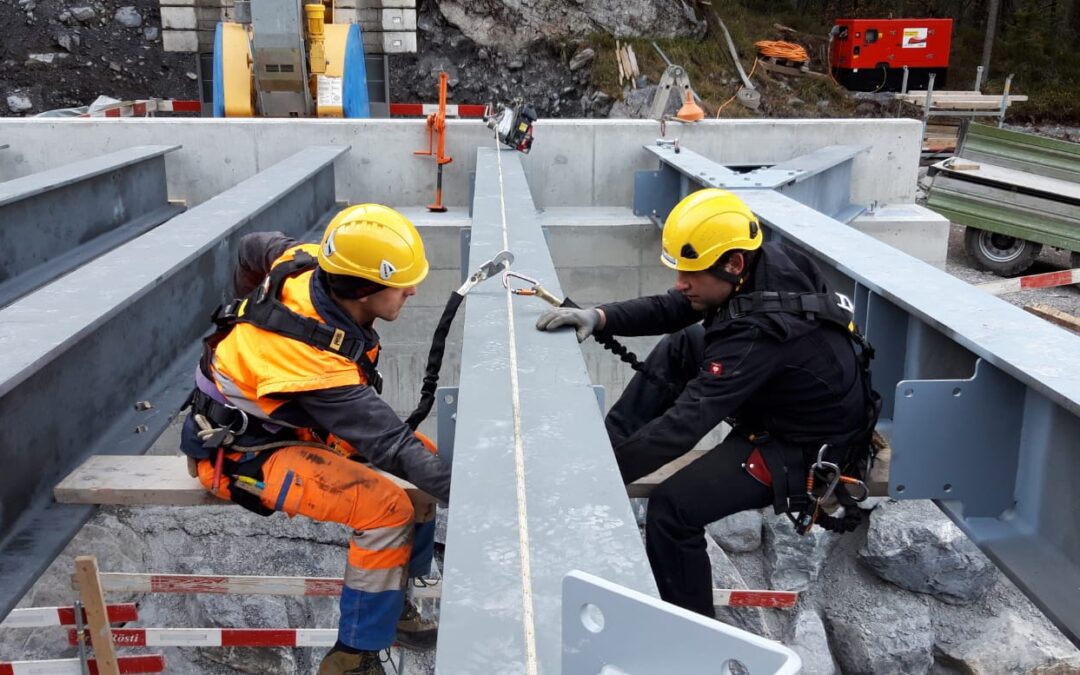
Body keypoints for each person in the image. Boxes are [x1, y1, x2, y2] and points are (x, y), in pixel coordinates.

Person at [535, 189, 878, 617]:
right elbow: (678, 305)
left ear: (733, 264)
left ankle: (691, 640)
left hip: (800, 446)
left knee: (673, 510)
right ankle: (607, 444)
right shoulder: (767, 261)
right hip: (783, 393)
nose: (681, 281)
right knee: (684, 344)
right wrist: (601, 316)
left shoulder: (759, 334)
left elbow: (684, 426)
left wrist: (588, 480)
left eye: (691, 272)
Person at [180, 204, 451, 675]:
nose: (412, 289)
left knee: (428, 470)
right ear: (365, 289)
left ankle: (399, 592)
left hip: (294, 425)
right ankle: (354, 654)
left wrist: (255, 311)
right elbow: (392, 448)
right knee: (387, 508)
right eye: (401, 283)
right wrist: (496, 501)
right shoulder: (313, 366)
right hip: (242, 452)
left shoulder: (307, 261)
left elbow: (251, 247)